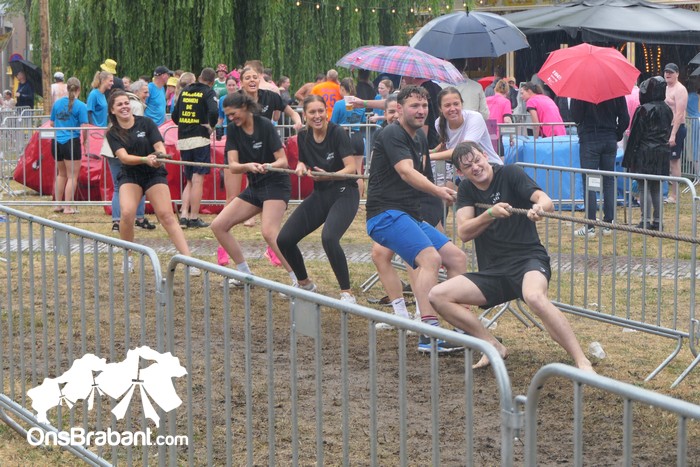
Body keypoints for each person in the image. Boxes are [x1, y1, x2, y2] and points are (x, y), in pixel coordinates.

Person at [428, 141, 594, 371]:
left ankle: (581, 360)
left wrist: (539, 208)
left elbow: (545, 200)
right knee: (438, 295)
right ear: (460, 172)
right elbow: (464, 232)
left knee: (534, 297)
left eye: (477, 160)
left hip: (528, 260)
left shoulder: (510, 173)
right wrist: (489, 214)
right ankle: (492, 345)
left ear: (485, 155)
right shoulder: (466, 189)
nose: (475, 167)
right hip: (494, 271)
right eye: (467, 166)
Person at [365, 85, 467, 353]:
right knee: (430, 259)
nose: (421, 111)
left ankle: (462, 328)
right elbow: (407, 172)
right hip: (385, 215)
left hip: (410, 214)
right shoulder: (392, 133)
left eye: (424, 106)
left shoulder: (420, 138)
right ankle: (428, 334)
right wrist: (438, 191)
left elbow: (424, 179)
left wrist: (438, 203)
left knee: (456, 257)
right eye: (414, 106)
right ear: (399, 109)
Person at [105, 91, 200, 276]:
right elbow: (124, 157)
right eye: (120, 104)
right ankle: (128, 257)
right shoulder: (113, 133)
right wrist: (144, 159)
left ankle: (189, 261)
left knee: (166, 215)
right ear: (112, 110)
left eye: (126, 103)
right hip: (130, 174)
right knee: (127, 213)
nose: (125, 107)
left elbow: (159, 146)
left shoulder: (146, 123)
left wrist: (159, 157)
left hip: (153, 173)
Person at [277, 95, 360, 302]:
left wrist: (329, 176)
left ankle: (347, 293)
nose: (317, 116)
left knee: (329, 238)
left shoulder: (337, 132)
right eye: (312, 112)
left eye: (321, 111)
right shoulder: (303, 136)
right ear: (305, 115)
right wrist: (300, 166)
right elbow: (304, 162)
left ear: (326, 112)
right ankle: (305, 284)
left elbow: (351, 168)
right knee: (284, 239)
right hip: (321, 193)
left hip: (345, 192)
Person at [210, 93, 297, 287]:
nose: (231, 118)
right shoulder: (233, 130)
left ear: (244, 107)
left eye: (233, 113)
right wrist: (248, 166)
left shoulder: (265, 125)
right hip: (255, 186)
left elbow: (283, 161)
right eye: (227, 115)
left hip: (276, 184)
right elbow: (233, 166)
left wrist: (268, 165)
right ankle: (245, 275)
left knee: (269, 232)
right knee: (218, 226)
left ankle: (300, 281)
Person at [571, 95, 629, 237]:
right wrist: (616, 134)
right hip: (609, 138)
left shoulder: (581, 92)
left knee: (590, 181)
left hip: (589, 139)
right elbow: (625, 118)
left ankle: (590, 226)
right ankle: (608, 224)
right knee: (608, 180)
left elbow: (576, 117)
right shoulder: (615, 91)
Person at [102, 80, 156, 232]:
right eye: (145, 92)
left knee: (118, 186)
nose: (147, 95)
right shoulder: (135, 105)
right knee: (137, 183)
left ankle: (117, 220)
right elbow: (138, 131)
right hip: (126, 151)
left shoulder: (120, 104)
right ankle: (138, 218)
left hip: (112, 150)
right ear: (136, 92)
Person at [622, 76, 673, 231]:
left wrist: (628, 157)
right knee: (656, 187)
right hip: (661, 152)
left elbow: (635, 135)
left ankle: (645, 220)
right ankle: (657, 221)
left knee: (644, 187)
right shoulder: (667, 109)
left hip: (644, 152)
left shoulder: (643, 109)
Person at [172, 67, 218, 229]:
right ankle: (194, 217)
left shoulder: (185, 91)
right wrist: (211, 125)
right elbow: (214, 111)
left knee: (190, 179)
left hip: (183, 138)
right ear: (212, 82)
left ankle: (184, 215)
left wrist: (185, 124)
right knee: (198, 178)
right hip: (199, 138)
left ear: (199, 77)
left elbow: (175, 115)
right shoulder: (208, 92)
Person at [430, 87, 502, 192]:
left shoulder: (475, 118)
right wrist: (433, 151)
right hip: (467, 175)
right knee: (442, 191)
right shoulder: (438, 123)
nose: (452, 108)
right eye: (447, 105)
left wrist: (428, 157)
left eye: (456, 104)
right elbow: (446, 143)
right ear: (440, 108)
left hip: (489, 170)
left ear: (462, 104)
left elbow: (463, 151)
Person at [49, 77, 89, 214]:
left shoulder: (57, 103)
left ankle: (58, 205)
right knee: (72, 176)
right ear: (79, 89)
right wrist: (85, 141)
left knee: (61, 174)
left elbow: (52, 123)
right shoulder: (81, 106)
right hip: (71, 141)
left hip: (57, 142)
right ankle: (68, 207)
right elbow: (84, 127)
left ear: (67, 88)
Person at [331, 77, 367, 195]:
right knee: (358, 170)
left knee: (344, 168)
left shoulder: (339, 104)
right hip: (357, 136)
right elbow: (362, 120)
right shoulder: (360, 103)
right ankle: (360, 198)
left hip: (344, 137)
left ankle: (345, 195)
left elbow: (333, 122)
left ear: (342, 88)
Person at [663, 63, 688, 204]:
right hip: (665, 128)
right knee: (664, 160)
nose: (668, 74)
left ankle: (674, 195)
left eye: (671, 72)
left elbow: (679, 114)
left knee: (674, 161)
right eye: (666, 72)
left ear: (677, 74)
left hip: (677, 128)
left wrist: (673, 134)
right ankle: (664, 191)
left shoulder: (680, 89)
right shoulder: (664, 88)